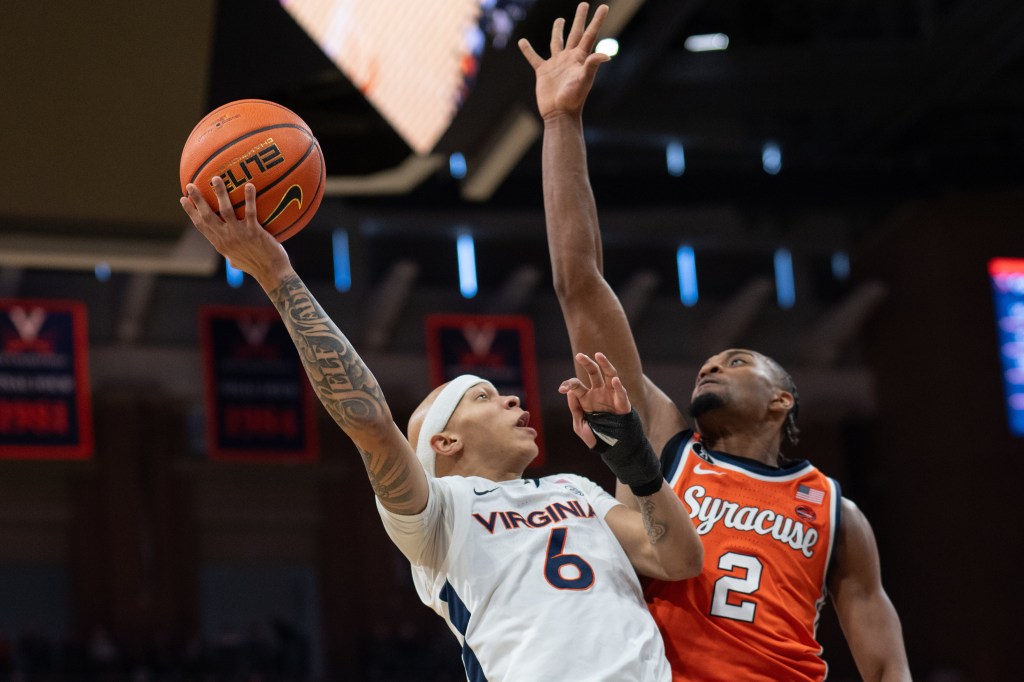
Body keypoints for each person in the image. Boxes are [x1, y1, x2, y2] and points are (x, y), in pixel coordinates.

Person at [519, 3, 912, 681]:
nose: (711, 364)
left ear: (781, 402)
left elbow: (886, 670)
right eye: (709, 359)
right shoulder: (665, 449)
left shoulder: (835, 515)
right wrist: (561, 122)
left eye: (736, 361)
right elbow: (578, 283)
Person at [179, 177, 703, 681]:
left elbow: (677, 560)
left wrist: (634, 462)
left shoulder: (577, 490)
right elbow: (369, 420)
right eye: (483, 396)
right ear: (444, 441)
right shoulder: (439, 513)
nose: (514, 398)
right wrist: (278, 277)